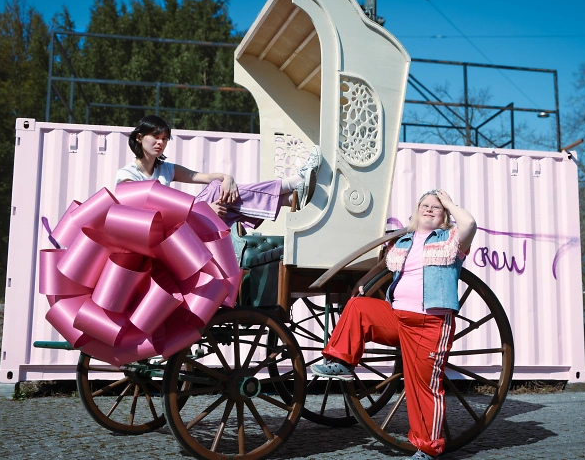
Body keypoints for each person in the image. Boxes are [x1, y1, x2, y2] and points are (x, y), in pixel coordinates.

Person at [310, 189, 476, 460]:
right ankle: (342, 362)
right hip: (397, 317)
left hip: (430, 323)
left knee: (423, 387)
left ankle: (427, 449)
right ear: (416, 211)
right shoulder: (402, 242)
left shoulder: (451, 241)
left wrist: (448, 201)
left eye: (436, 207)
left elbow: (469, 223)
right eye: (425, 205)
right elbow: (383, 266)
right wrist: (363, 281)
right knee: (358, 306)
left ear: (445, 215)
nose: (430, 209)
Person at [116, 115, 320, 229]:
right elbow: (151, 216)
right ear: (139, 138)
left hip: (184, 224)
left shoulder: (165, 169)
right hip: (164, 234)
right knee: (220, 195)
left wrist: (227, 178)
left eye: (164, 138)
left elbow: (203, 177)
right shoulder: (128, 177)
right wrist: (203, 210)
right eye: (155, 137)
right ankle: (291, 187)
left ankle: (290, 197)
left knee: (218, 188)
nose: (160, 143)